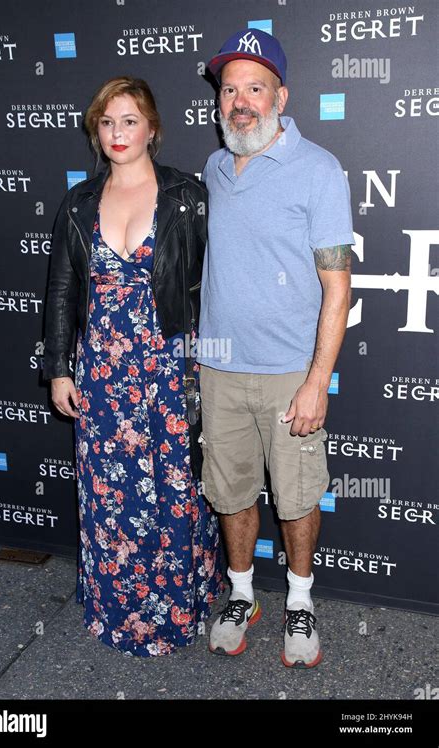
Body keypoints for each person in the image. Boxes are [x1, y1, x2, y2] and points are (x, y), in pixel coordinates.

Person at [42, 76, 223, 657]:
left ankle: (178, 605)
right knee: (110, 492)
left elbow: (215, 285)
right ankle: (117, 607)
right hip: (101, 370)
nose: (118, 133)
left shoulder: (187, 196)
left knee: (174, 486)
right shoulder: (77, 204)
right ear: (96, 131)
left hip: (169, 363)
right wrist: (60, 368)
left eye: (129, 121)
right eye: (107, 122)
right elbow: (62, 292)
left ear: (153, 129)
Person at [198, 29, 355, 667]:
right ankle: (241, 594)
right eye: (229, 89)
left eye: (254, 88)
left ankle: (298, 598)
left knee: (294, 497)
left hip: (291, 372)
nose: (240, 101)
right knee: (231, 491)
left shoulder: (318, 169)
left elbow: (337, 286)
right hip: (219, 368)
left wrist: (317, 381)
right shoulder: (213, 168)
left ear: (280, 97)